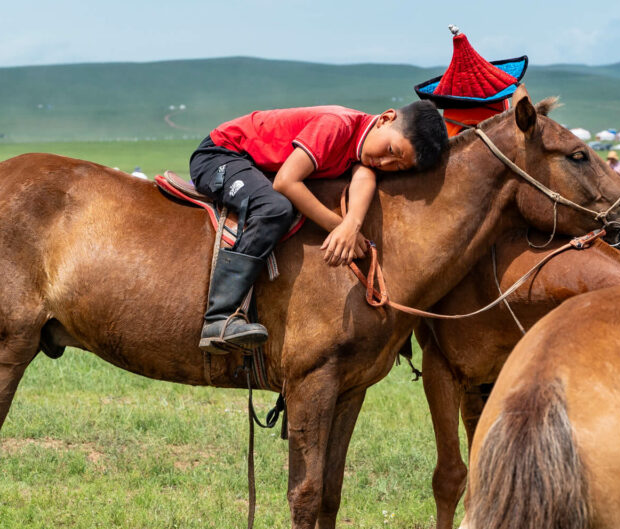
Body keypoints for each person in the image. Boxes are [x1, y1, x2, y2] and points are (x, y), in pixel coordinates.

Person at [189, 100, 445, 353]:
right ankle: (219, 317)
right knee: (275, 208)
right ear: (386, 118)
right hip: (221, 156)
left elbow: (364, 176)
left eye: (398, 166)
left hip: (252, 166)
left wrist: (352, 225)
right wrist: (337, 226)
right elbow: (286, 183)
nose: (386, 163)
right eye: (392, 150)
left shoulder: (363, 149)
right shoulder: (337, 125)